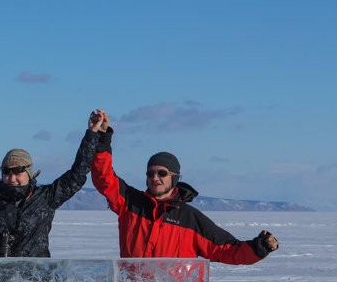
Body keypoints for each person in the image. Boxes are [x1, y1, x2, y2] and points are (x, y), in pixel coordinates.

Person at [89, 109, 279, 262]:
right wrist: (102, 137)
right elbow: (103, 177)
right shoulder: (130, 203)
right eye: (150, 173)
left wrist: (258, 247)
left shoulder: (189, 218)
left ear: (175, 178)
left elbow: (226, 249)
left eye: (162, 173)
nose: (155, 177)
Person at [0, 113, 104, 259]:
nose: (11, 178)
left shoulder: (45, 197)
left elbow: (78, 173)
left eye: (17, 172)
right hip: (0, 277)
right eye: (6, 172)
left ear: (29, 173)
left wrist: (92, 133)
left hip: (36, 276)